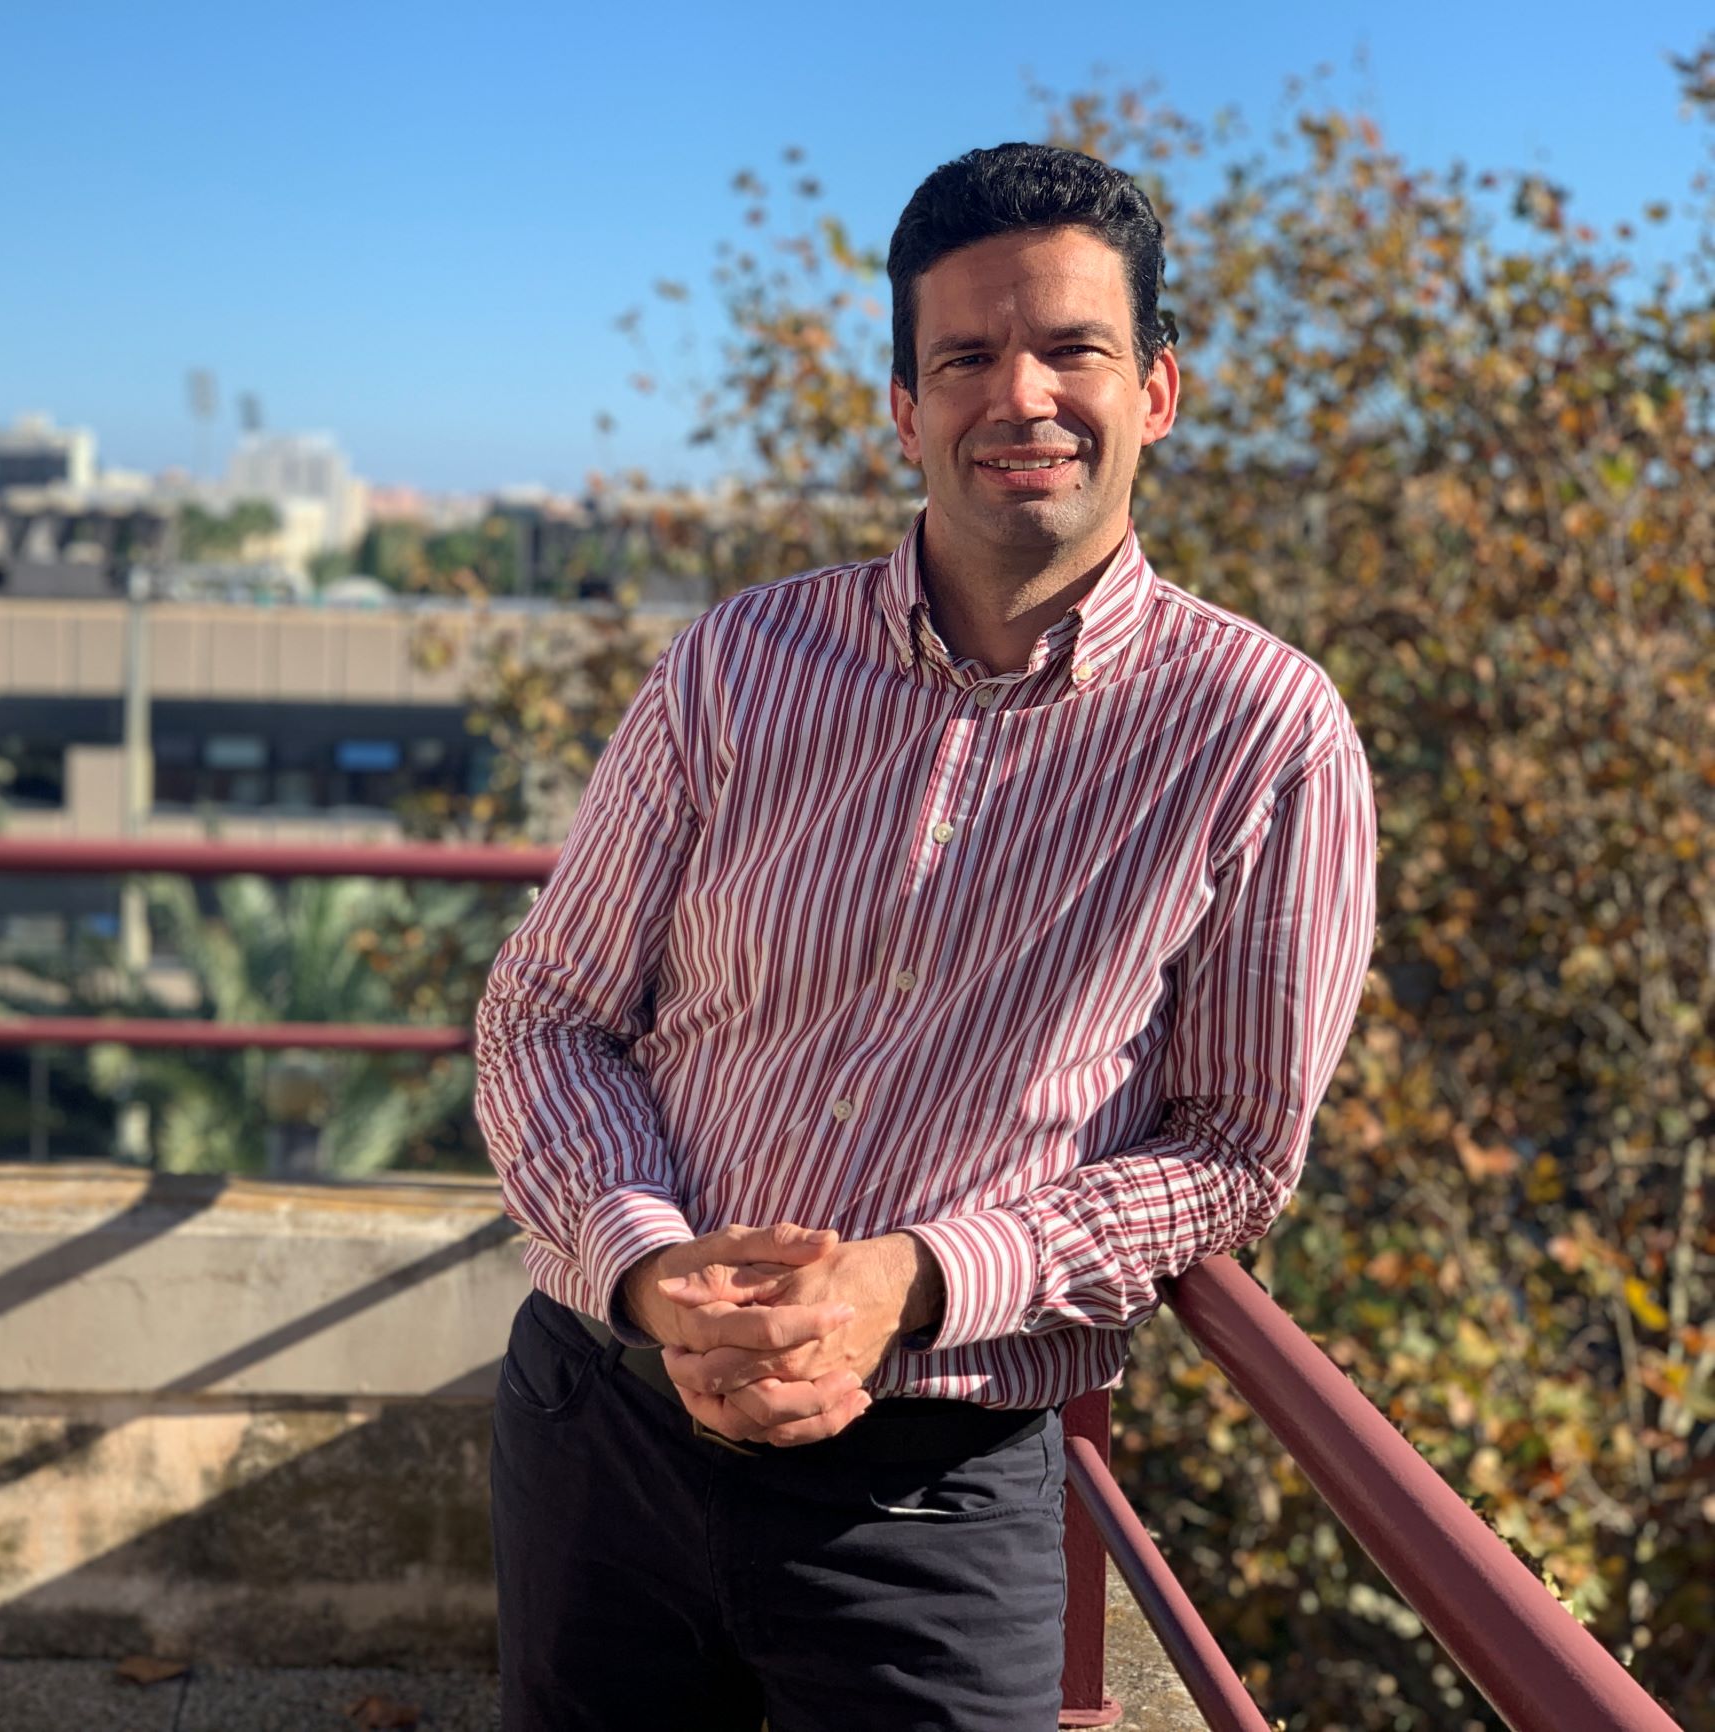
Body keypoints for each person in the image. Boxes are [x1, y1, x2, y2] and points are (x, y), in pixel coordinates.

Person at [473, 141, 1378, 1731]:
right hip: (604, 1424)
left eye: (1071, 349)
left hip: (929, 1495)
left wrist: (911, 1279)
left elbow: (1233, 1150)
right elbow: (547, 1014)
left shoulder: (1262, 732)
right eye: (964, 357)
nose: (1019, 396)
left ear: (1157, 391)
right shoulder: (736, 664)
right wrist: (653, 1271)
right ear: (904, 409)